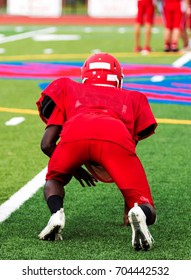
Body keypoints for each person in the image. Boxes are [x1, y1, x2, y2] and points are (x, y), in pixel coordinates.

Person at [36, 52, 157, 251]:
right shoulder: (133, 97)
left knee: (54, 179)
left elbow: (46, 144)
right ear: (118, 78)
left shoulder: (68, 88)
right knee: (144, 202)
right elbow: (126, 149)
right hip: (114, 136)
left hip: (75, 133)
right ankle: (140, 213)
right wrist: (131, 203)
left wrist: (74, 168)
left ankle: (56, 214)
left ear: (85, 76)